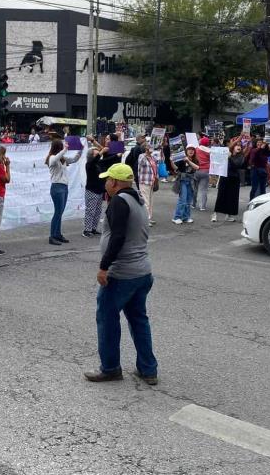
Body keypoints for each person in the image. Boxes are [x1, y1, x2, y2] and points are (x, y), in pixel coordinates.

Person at [83, 163, 157, 385]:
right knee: (138, 320)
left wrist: (104, 266)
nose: (105, 183)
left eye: (107, 180)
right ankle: (148, 369)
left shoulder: (119, 202)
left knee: (107, 319)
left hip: (122, 273)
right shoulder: (137, 200)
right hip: (142, 271)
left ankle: (110, 368)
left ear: (114, 182)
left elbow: (117, 237)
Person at [46, 138, 82, 245]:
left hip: (64, 187)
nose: (63, 147)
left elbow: (74, 160)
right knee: (57, 212)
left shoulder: (62, 159)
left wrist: (81, 150)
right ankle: (52, 236)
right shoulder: (52, 158)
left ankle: (58, 234)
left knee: (60, 212)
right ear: (58, 147)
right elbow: (55, 159)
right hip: (57, 187)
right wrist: (65, 149)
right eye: (61, 146)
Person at [211, 140, 247, 223]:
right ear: (233, 147)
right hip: (224, 177)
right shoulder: (226, 153)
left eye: (240, 146)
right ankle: (215, 214)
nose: (239, 147)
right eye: (237, 145)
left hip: (234, 178)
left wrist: (229, 158)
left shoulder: (241, 156)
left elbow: (236, 165)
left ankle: (228, 215)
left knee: (232, 197)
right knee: (221, 196)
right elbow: (217, 161)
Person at [171, 146, 199, 224]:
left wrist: (188, 161)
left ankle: (186, 217)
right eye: (189, 150)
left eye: (193, 150)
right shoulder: (181, 159)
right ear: (186, 151)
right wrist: (171, 162)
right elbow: (176, 169)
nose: (191, 151)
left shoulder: (195, 160)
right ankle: (177, 217)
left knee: (188, 200)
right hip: (182, 181)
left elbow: (197, 167)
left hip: (191, 181)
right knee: (182, 199)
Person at [83, 147, 106, 237]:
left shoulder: (98, 164)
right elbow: (93, 162)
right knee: (90, 211)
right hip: (91, 191)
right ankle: (86, 230)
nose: (98, 155)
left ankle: (93, 229)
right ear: (91, 156)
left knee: (98, 211)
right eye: (96, 154)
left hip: (99, 190)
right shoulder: (89, 164)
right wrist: (101, 152)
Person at [136, 144, 158, 227]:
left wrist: (160, 149)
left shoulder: (152, 157)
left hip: (152, 182)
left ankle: (149, 217)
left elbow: (159, 160)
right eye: (148, 147)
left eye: (151, 147)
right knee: (146, 201)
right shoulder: (141, 156)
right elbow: (141, 163)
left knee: (151, 201)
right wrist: (146, 153)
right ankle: (145, 219)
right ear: (145, 149)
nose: (150, 148)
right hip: (144, 181)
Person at [192, 136, 211, 211]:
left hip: (196, 170)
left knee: (194, 188)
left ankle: (193, 204)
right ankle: (202, 206)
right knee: (203, 190)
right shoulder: (210, 151)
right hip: (206, 171)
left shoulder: (196, 149)